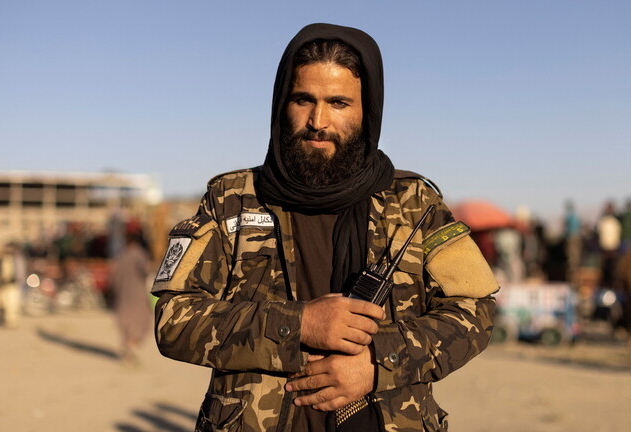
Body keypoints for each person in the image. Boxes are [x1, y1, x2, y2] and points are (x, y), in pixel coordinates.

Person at [152, 23, 499, 432]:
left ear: (367, 111)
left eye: (338, 103)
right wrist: (299, 324)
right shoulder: (231, 199)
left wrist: (379, 362)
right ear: (282, 104)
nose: (318, 120)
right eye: (304, 100)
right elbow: (173, 319)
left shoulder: (416, 203)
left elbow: (476, 311)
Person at [111, 228, 154, 365]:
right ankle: (131, 346)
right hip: (137, 294)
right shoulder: (140, 254)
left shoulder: (121, 255)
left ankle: (128, 346)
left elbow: (114, 276)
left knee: (126, 322)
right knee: (142, 321)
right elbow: (146, 271)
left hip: (123, 293)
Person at [0, 242, 27, 328]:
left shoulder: (17, 259)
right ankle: (2, 319)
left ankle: (11, 321)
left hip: (13, 285)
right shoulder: (1, 259)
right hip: (2, 285)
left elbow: (20, 273)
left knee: (12, 304)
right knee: (2, 303)